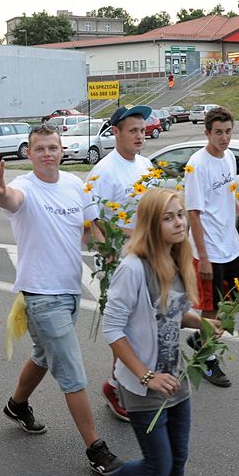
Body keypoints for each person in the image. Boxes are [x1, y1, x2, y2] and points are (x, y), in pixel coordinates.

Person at [0, 123, 123, 475]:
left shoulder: (75, 184)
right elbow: (10, 200)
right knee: (73, 373)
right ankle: (95, 449)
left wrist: (107, 251)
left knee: (43, 355)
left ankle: (17, 405)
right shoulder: (23, 188)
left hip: (71, 290)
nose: (47, 153)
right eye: (39, 148)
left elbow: (91, 228)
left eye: (53, 147)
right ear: (28, 154)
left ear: (62, 151)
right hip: (42, 296)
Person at [90, 188, 216, 476]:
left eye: (180, 215)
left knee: (178, 460)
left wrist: (201, 321)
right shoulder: (132, 269)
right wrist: (147, 375)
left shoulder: (177, 260)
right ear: (150, 223)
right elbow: (112, 330)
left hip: (176, 379)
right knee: (157, 464)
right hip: (142, 385)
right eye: (169, 217)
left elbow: (173, 314)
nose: (179, 223)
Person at [87, 105, 154, 422]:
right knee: (123, 327)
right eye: (133, 130)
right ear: (115, 132)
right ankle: (115, 386)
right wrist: (108, 255)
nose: (140, 136)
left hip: (148, 256)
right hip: (119, 259)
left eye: (142, 129)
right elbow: (91, 221)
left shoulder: (146, 164)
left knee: (143, 326)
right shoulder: (103, 171)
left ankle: (125, 381)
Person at [183, 106, 239, 387]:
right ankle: (207, 361)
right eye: (218, 132)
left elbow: (229, 193)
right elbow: (193, 213)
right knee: (210, 310)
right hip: (208, 249)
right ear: (207, 132)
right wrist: (205, 258)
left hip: (231, 245)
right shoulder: (197, 165)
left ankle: (200, 337)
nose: (224, 137)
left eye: (228, 131)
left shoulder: (229, 157)